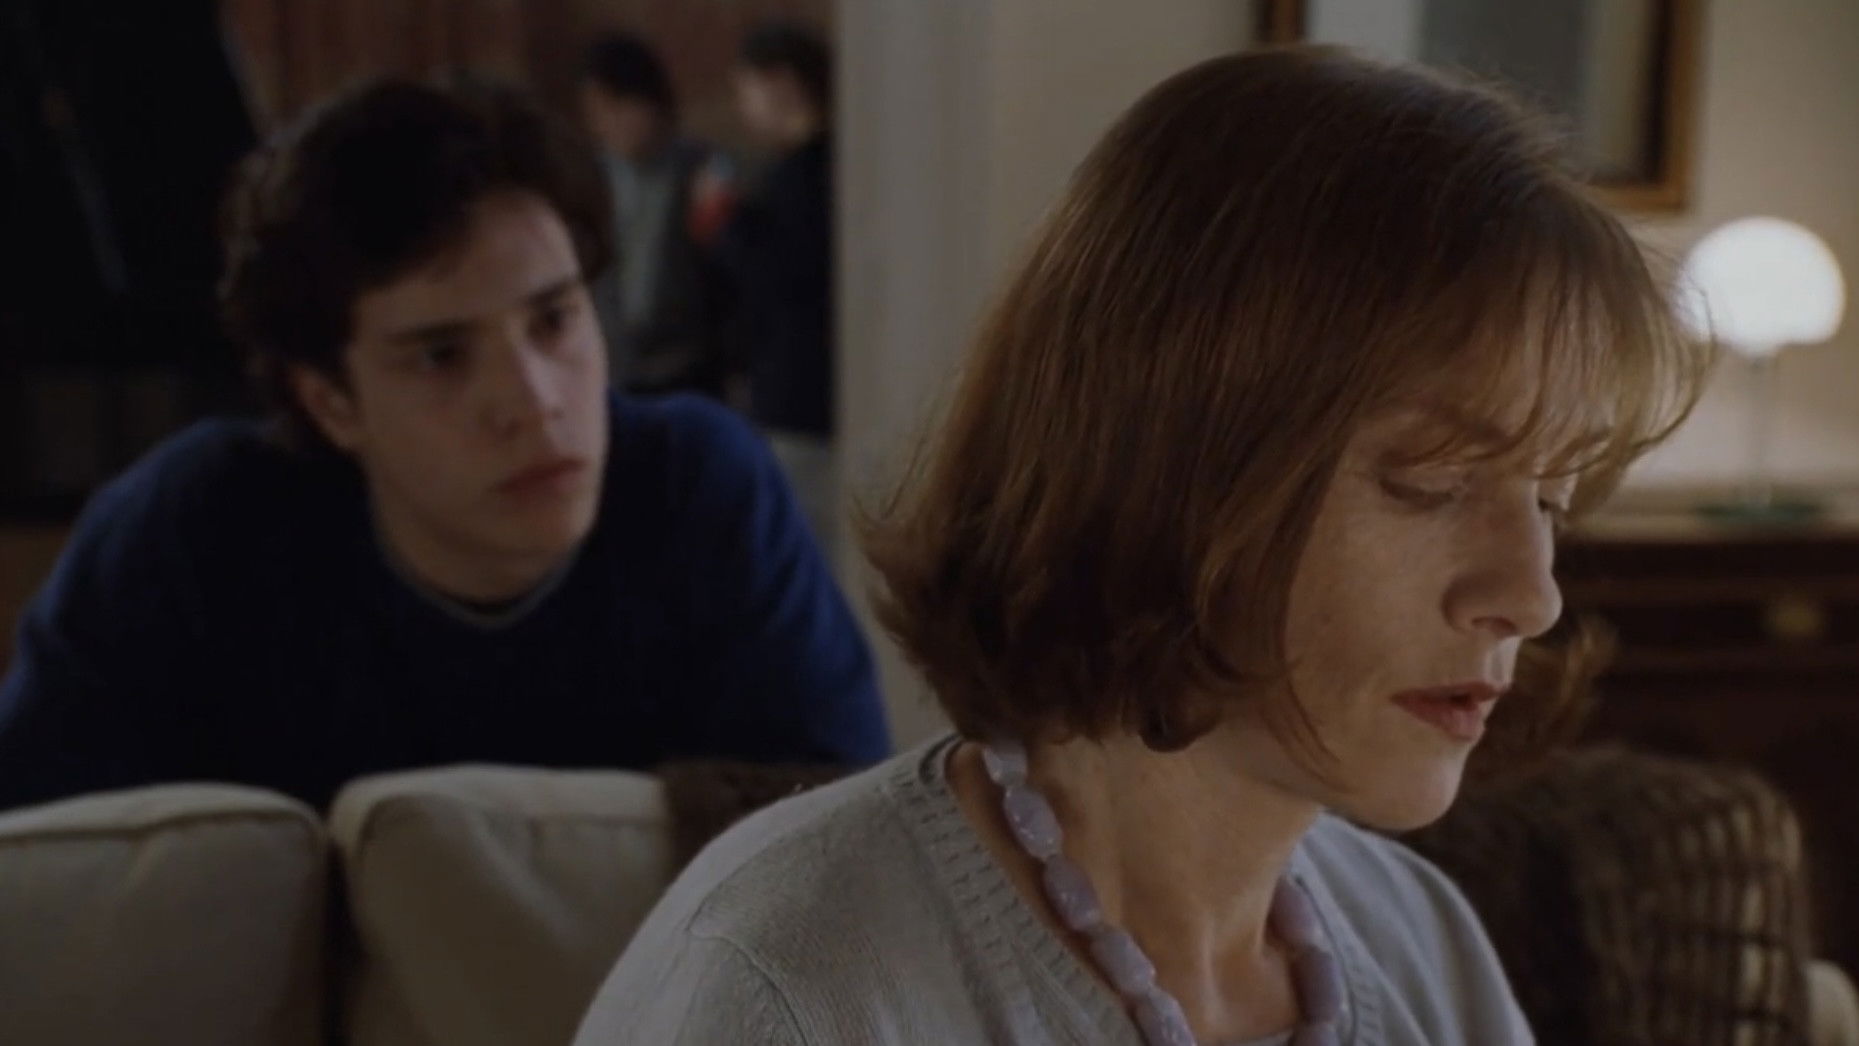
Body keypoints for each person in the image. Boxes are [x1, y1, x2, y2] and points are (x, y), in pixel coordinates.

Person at [571, 47, 1709, 1045]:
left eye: (1551, 500)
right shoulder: (794, 985)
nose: (1529, 594)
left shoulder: (1425, 948)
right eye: (1435, 482)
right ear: (1169, 465)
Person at [0, 78, 890, 814]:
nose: (533, 401)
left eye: (554, 319)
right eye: (440, 356)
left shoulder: (697, 489)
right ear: (331, 403)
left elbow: (840, 858)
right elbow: (42, 872)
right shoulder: (193, 534)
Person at [707, 18, 838, 544]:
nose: (743, 108)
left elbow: (781, 281)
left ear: (782, 83)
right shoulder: (812, 169)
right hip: (805, 398)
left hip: (802, 403)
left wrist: (726, 223)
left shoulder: (808, 176)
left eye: (747, 90)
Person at [578, 32, 732, 399]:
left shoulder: (701, 168)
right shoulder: (592, 178)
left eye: (616, 108)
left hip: (687, 365)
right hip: (616, 368)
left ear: (649, 103)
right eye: (597, 114)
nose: (605, 125)